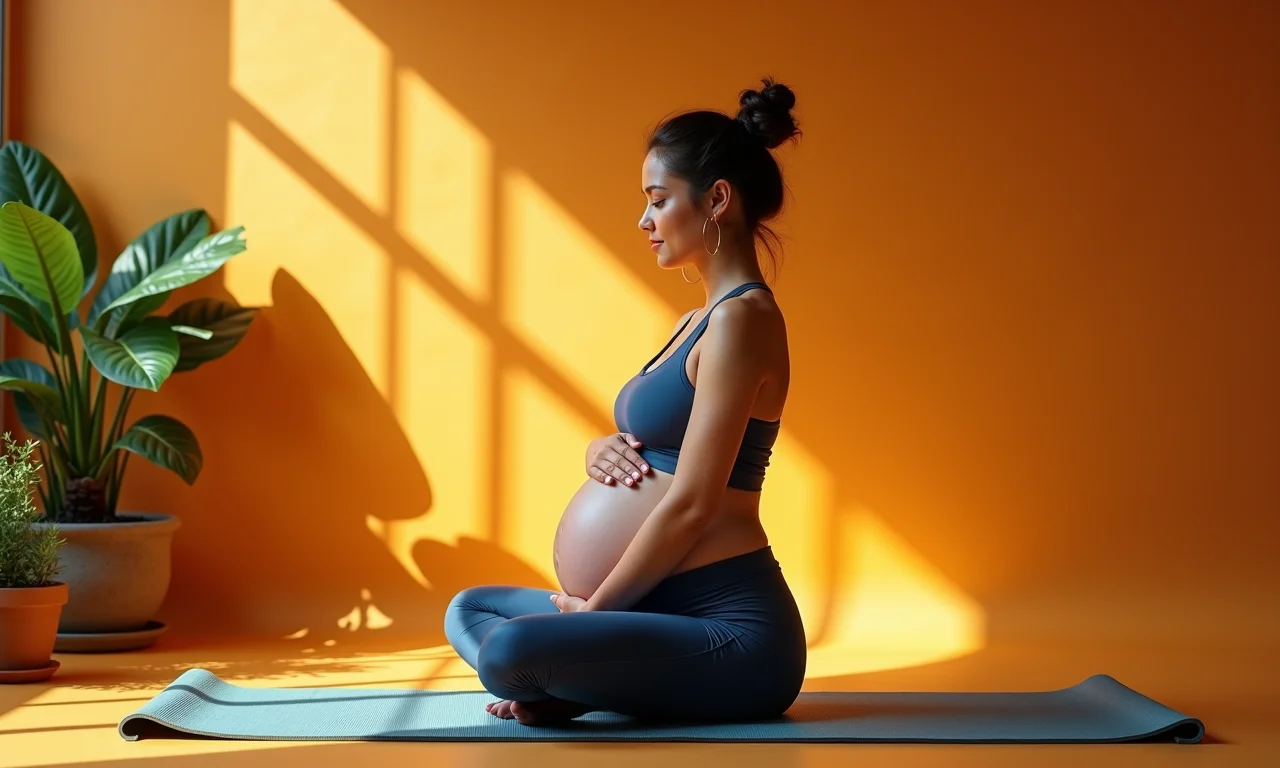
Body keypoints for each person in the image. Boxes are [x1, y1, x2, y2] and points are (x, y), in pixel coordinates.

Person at [443, 77, 806, 726]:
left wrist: (595, 613)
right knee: (471, 609)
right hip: (649, 608)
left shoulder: (744, 320)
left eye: (659, 200)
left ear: (717, 199)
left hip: (730, 632)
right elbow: (655, 441)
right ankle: (569, 680)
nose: (644, 220)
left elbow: (692, 504)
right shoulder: (692, 322)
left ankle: (564, 676)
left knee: (510, 651)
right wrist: (600, 447)